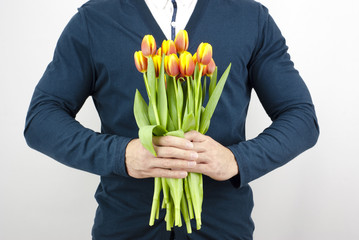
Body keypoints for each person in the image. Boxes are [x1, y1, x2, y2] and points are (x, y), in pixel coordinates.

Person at [24, 0, 319, 239]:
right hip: (124, 227)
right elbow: (42, 118)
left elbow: (301, 118)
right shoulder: (94, 20)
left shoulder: (250, 18)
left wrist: (236, 160)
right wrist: (121, 155)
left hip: (223, 229)